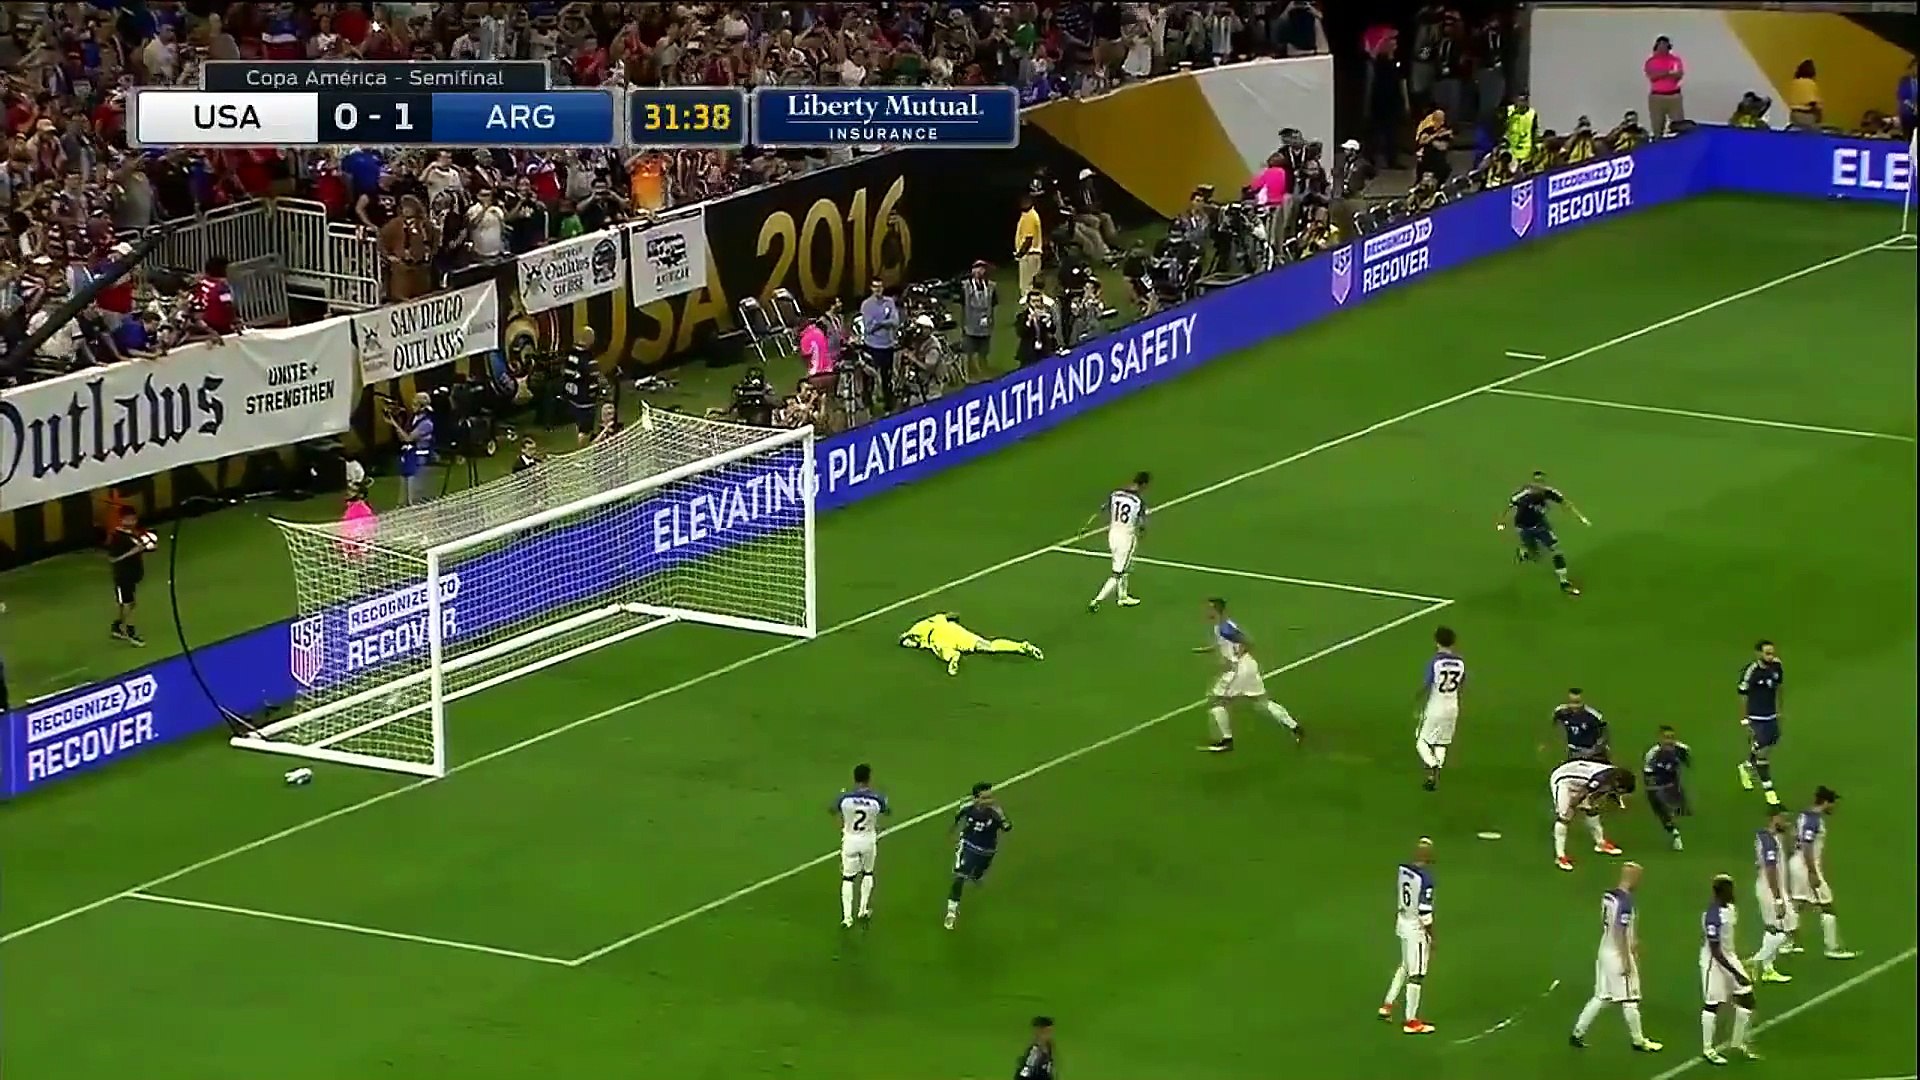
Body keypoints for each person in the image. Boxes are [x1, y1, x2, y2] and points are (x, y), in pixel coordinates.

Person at [1570, 861, 1663, 1053]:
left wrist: (1633, 940)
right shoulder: (1626, 902)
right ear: (1632, 877)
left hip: (1605, 949)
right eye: (1638, 877)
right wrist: (1627, 959)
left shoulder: (1609, 896)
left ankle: (1578, 1032)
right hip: (1618, 954)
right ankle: (1638, 1040)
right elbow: (1620, 931)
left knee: (1602, 996)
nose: (1640, 882)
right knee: (1630, 999)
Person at [1195, 597, 1304, 752]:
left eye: (1208, 608)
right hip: (1249, 666)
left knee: (1216, 702)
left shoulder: (1225, 628)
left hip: (1238, 669)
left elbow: (1247, 642)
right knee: (1262, 702)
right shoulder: (1223, 626)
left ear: (1215, 610)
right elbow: (1224, 643)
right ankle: (1295, 727)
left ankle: (1226, 741)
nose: (1205, 611)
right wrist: (1207, 650)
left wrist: (1235, 659)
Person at [1786, 786, 1855, 960]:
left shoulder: (1803, 815)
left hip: (1797, 863)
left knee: (1798, 904)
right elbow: (1807, 846)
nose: (1834, 807)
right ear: (1825, 802)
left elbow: (1794, 836)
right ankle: (1832, 948)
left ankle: (1788, 942)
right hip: (1806, 866)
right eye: (1833, 803)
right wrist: (1812, 872)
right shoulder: (1813, 820)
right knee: (1827, 906)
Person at [1498, 470, 1590, 596]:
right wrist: (1502, 522)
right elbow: (1509, 507)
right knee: (1535, 556)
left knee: (1556, 549)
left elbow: (1566, 503)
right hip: (1524, 527)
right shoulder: (1523, 495)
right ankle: (1525, 552)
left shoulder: (1549, 493)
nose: (1538, 485)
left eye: (1541, 482)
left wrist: (1580, 517)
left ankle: (1564, 582)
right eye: (1536, 482)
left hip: (1541, 527)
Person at [1699, 874, 1759, 1065]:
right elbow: (1715, 950)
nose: (1733, 892)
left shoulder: (1731, 909)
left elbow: (1729, 940)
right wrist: (1736, 973)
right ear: (1721, 892)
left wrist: (1739, 961)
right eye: (1730, 889)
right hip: (1714, 963)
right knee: (1712, 1005)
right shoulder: (1712, 916)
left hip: (1729, 958)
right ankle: (1708, 1049)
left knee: (1747, 999)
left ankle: (1737, 1043)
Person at [1382, 837, 1437, 1034]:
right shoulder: (1426, 879)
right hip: (1416, 929)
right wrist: (1432, 937)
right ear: (1427, 856)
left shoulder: (1404, 870)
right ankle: (1411, 1021)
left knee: (1406, 964)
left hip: (1402, 921)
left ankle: (1387, 1004)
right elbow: (1424, 913)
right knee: (1417, 974)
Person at [946, 781, 1013, 930]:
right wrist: (953, 833)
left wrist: (1001, 816)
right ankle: (951, 911)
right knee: (960, 876)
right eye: (985, 798)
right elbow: (957, 818)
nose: (989, 801)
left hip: (987, 850)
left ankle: (976, 876)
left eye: (990, 797)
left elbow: (1007, 827)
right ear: (976, 798)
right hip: (968, 845)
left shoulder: (995, 812)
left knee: (978, 873)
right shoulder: (967, 808)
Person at [1549, 757, 1632, 871]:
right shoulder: (1601, 779)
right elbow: (1583, 794)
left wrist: (1589, 804)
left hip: (1582, 781)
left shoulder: (1613, 776)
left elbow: (1595, 794)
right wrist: (1575, 805)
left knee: (1592, 809)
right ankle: (1560, 856)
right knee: (1565, 815)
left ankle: (1600, 843)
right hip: (1563, 780)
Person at [832, 763, 889, 928]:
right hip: (868, 840)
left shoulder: (845, 798)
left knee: (848, 878)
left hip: (850, 840)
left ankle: (847, 918)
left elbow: (832, 809)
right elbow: (886, 810)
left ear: (854, 778)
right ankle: (862, 909)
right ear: (869, 778)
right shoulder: (876, 798)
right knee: (868, 873)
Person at [899, 612, 1043, 676]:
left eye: (909, 643)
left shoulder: (918, 628)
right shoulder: (932, 623)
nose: (909, 644)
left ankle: (954, 659)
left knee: (944, 652)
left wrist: (906, 637)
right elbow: (952, 614)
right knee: (988, 646)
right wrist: (953, 619)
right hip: (955, 632)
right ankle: (1021, 646)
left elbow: (903, 637)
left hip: (939, 638)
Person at [1084, 471, 1149, 611]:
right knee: (1118, 573)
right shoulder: (1138, 501)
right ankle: (1097, 601)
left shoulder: (1115, 494)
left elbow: (1101, 510)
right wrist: (1142, 533)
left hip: (1113, 534)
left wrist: (1086, 525)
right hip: (1126, 538)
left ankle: (1122, 596)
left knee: (1124, 566)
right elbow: (1142, 524)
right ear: (1144, 485)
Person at [1414, 626, 1465, 791]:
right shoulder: (1460, 663)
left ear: (1436, 642)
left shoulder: (1435, 662)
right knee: (1441, 742)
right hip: (1453, 707)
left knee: (1422, 741)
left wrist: (1417, 696)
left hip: (1436, 706)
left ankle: (1432, 764)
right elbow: (1462, 684)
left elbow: (1428, 683)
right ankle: (1433, 777)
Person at [1749, 810, 1796, 985]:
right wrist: (1777, 898)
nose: (1786, 821)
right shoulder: (1769, 842)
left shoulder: (1769, 837)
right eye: (1783, 818)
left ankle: (1768, 969)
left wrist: (1790, 835)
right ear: (1774, 819)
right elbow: (1770, 870)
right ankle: (1755, 961)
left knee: (1774, 929)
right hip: (1771, 889)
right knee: (1784, 929)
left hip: (1771, 888)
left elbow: (1789, 853)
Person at [1735, 639, 1784, 806]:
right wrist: (1744, 720)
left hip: (1771, 715)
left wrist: (1779, 710)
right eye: (1767, 653)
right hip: (1756, 716)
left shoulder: (1777, 666)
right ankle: (1769, 791)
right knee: (1762, 753)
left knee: (1771, 742)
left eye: (1772, 653)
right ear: (1758, 654)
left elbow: (1779, 687)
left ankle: (1747, 765)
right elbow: (1742, 695)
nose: (1771, 656)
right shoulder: (1751, 671)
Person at [106, 511, 154, 646]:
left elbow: (143, 546)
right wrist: (133, 551)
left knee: (128, 604)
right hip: (122, 576)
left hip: (132, 575)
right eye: (129, 519)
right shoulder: (117, 537)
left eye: (134, 519)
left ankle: (117, 627)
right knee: (128, 604)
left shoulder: (133, 534)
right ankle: (129, 632)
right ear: (122, 520)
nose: (132, 522)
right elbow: (113, 558)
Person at [1641, 725, 1693, 850]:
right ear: (1660, 738)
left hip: (1672, 783)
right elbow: (1647, 772)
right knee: (1662, 813)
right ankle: (1674, 831)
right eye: (1666, 737)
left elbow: (1687, 761)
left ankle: (1675, 831)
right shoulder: (1653, 753)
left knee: (1678, 810)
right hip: (1656, 785)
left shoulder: (1681, 749)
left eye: (1671, 737)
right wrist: (1653, 789)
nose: (1669, 740)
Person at [858, 279, 900, 413]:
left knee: (887, 377)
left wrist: (879, 323)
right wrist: (885, 321)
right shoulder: (866, 305)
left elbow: (895, 321)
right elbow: (869, 327)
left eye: (880, 287)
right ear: (871, 288)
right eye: (875, 287)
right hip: (872, 346)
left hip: (887, 346)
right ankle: (868, 406)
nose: (878, 290)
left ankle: (888, 405)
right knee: (869, 378)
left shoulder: (889, 302)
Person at [388, 391, 436, 507]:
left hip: (419, 461)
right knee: (403, 497)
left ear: (422, 407)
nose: (412, 406)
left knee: (414, 496)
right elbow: (402, 437)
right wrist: (396, 422)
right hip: (409, 458)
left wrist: (394, 424)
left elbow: (408, 438)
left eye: (415, 404)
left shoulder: (426, 424)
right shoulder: (413, 419)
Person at [958, 260, 997, 383]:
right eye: (977, 268)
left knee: (983, 351)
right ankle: (969, 375)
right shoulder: (965, 286)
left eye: (982, 268)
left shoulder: (991, 286)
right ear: (972, 270)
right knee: (969, 351)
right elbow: (961, 304)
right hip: (970, 323)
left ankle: (984, 372)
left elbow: (993, 304)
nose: (979, 271)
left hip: (985, 324)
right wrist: (963, 323)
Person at [562, 327, 601, 447]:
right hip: (585, 400)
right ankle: (582, 451)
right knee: (585, 430)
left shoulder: (570, 354)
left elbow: (566, 373)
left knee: (579, 426)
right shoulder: (588, 358)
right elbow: (594, 376)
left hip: (572, 398)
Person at [1549, 688, 1610, 763]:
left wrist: (1601, 747)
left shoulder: (1592, 715)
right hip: (1572, 750)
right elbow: (1554, 720)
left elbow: (1604, 730)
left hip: (1589, 751)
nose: (1574, 707)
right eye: (1572, 703)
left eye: (1577, 703)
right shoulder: (1562, 712)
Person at [1644, 36, 1686, 137]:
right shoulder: (1651, 61)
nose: (1663, 48)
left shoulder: (1675, 60)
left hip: (1674, 96)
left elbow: (1678, 75)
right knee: (1657, 126)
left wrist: (1662, 74)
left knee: (1679, 125)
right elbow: (1653, 76)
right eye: (1660, 45)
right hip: (1657, 97)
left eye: (1665, 45)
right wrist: (1667, 73)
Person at [1012, 196, 1044, 297]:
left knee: (1027, 286)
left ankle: (1030, 305)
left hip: (1029, 255)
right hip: (1031, 254)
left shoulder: (1029, 216)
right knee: (1033, 285)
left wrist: (1020, 253)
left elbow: (1028, 238)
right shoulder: (1029, 215)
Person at [1014, 1015, 1054, 1079]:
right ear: (1039, 1032)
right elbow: (1024, 1074)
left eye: (1049, 1031)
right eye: (1045, 1032)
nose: (1049, 1035)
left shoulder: (1048, 1047)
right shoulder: (1034, 1052)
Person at [1786, 60, 1822, 130]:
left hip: (1794, 114)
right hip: (1807, 116)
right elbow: (1812, 102)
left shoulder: (1794, 82)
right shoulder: (1810, 83)